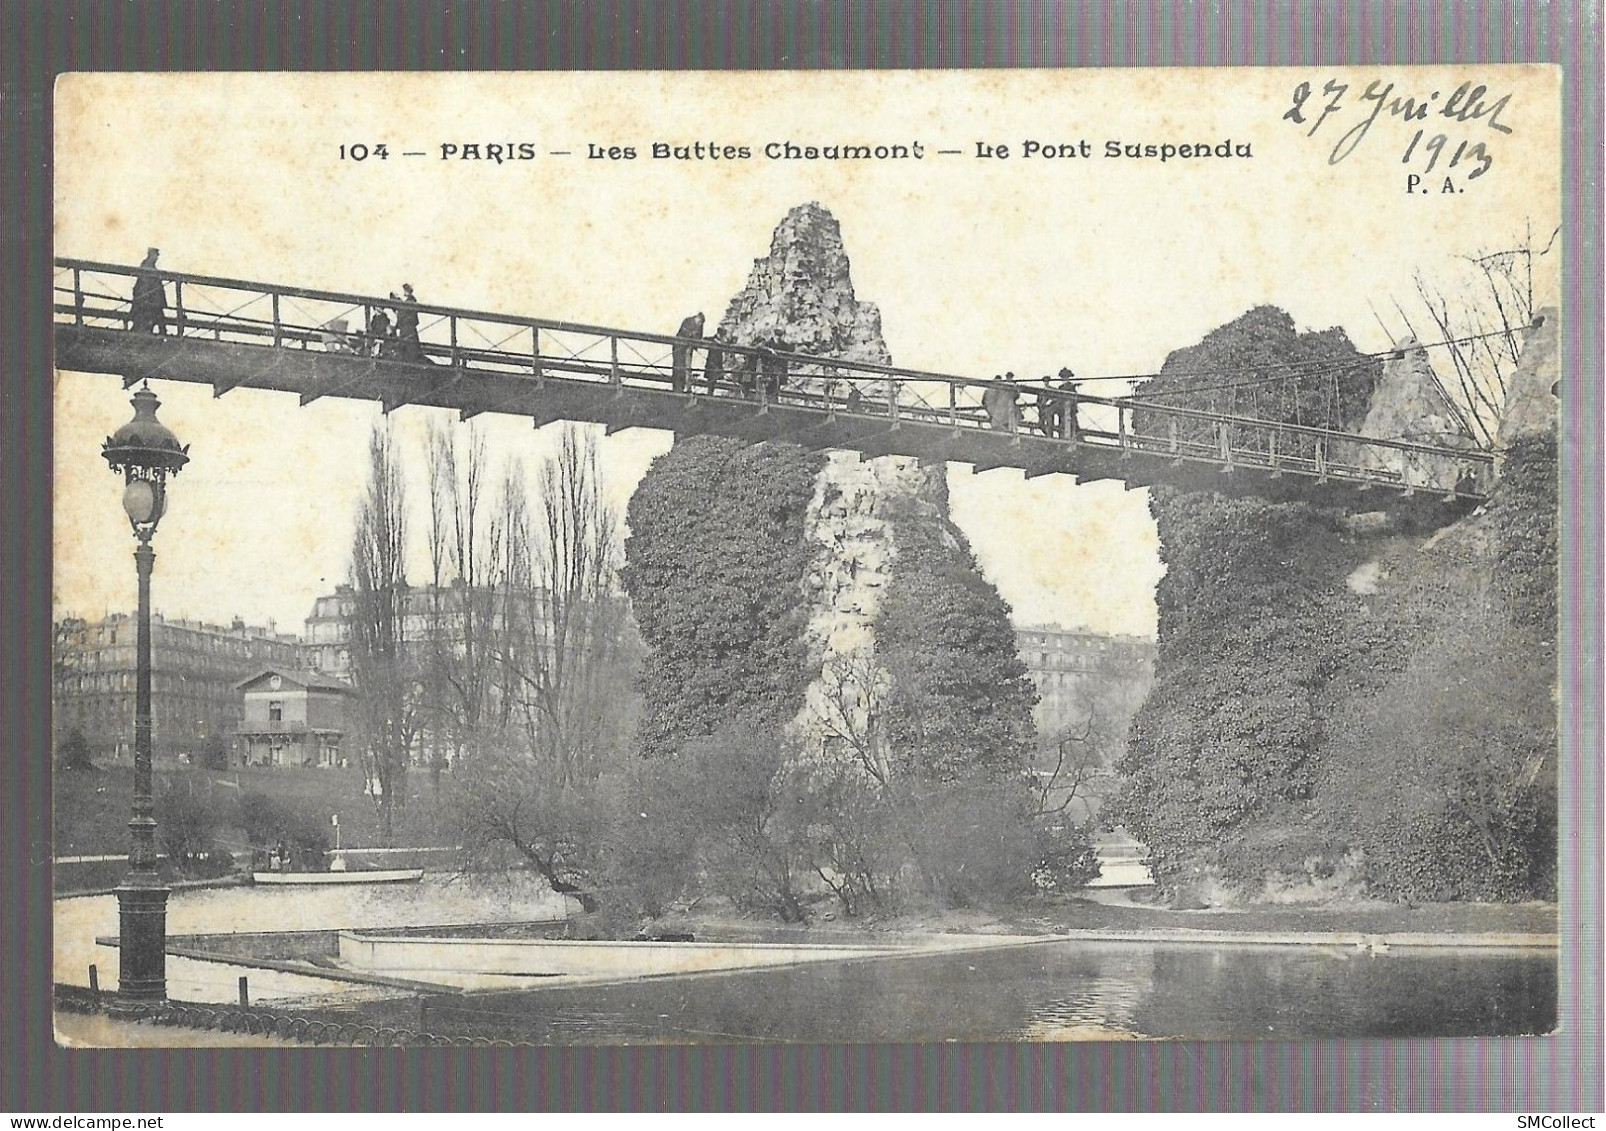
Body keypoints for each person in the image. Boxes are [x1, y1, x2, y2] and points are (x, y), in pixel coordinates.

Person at [129, 247, 167, 335]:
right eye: (156, 255)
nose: (157, 258)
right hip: (150, 302)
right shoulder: (147, 268)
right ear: (151, 255)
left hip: (152, 301)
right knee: (152, 321)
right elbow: (145, 286)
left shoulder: (149, 267)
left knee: (154, 321)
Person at [672, 312, 704, 392]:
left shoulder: (700, 325)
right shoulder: (687, 321)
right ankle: (676, 387)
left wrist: (696, 342)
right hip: (679, 347)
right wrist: (692, 335)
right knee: (678, 366)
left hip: (688, 348)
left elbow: (699, 337)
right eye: (699, 322)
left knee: (687, 368)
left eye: (700, 323)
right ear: (696, 318)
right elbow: (683, 332)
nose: (699, 325)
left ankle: (684, 387)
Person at [393, 284, 422, 361]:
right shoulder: (410, 302)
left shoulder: (409, 302)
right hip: (408, 330)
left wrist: (397, 301)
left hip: (407, 330)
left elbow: (402, 314)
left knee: (407, 350)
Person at [703, 328, 727, 395]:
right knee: (711, 379)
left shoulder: (720, 341)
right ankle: (710, 393)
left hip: (716, 362)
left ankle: (710, 393)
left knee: (713, 379)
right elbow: (704, 339)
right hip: (712, 362)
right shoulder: (713, 340)